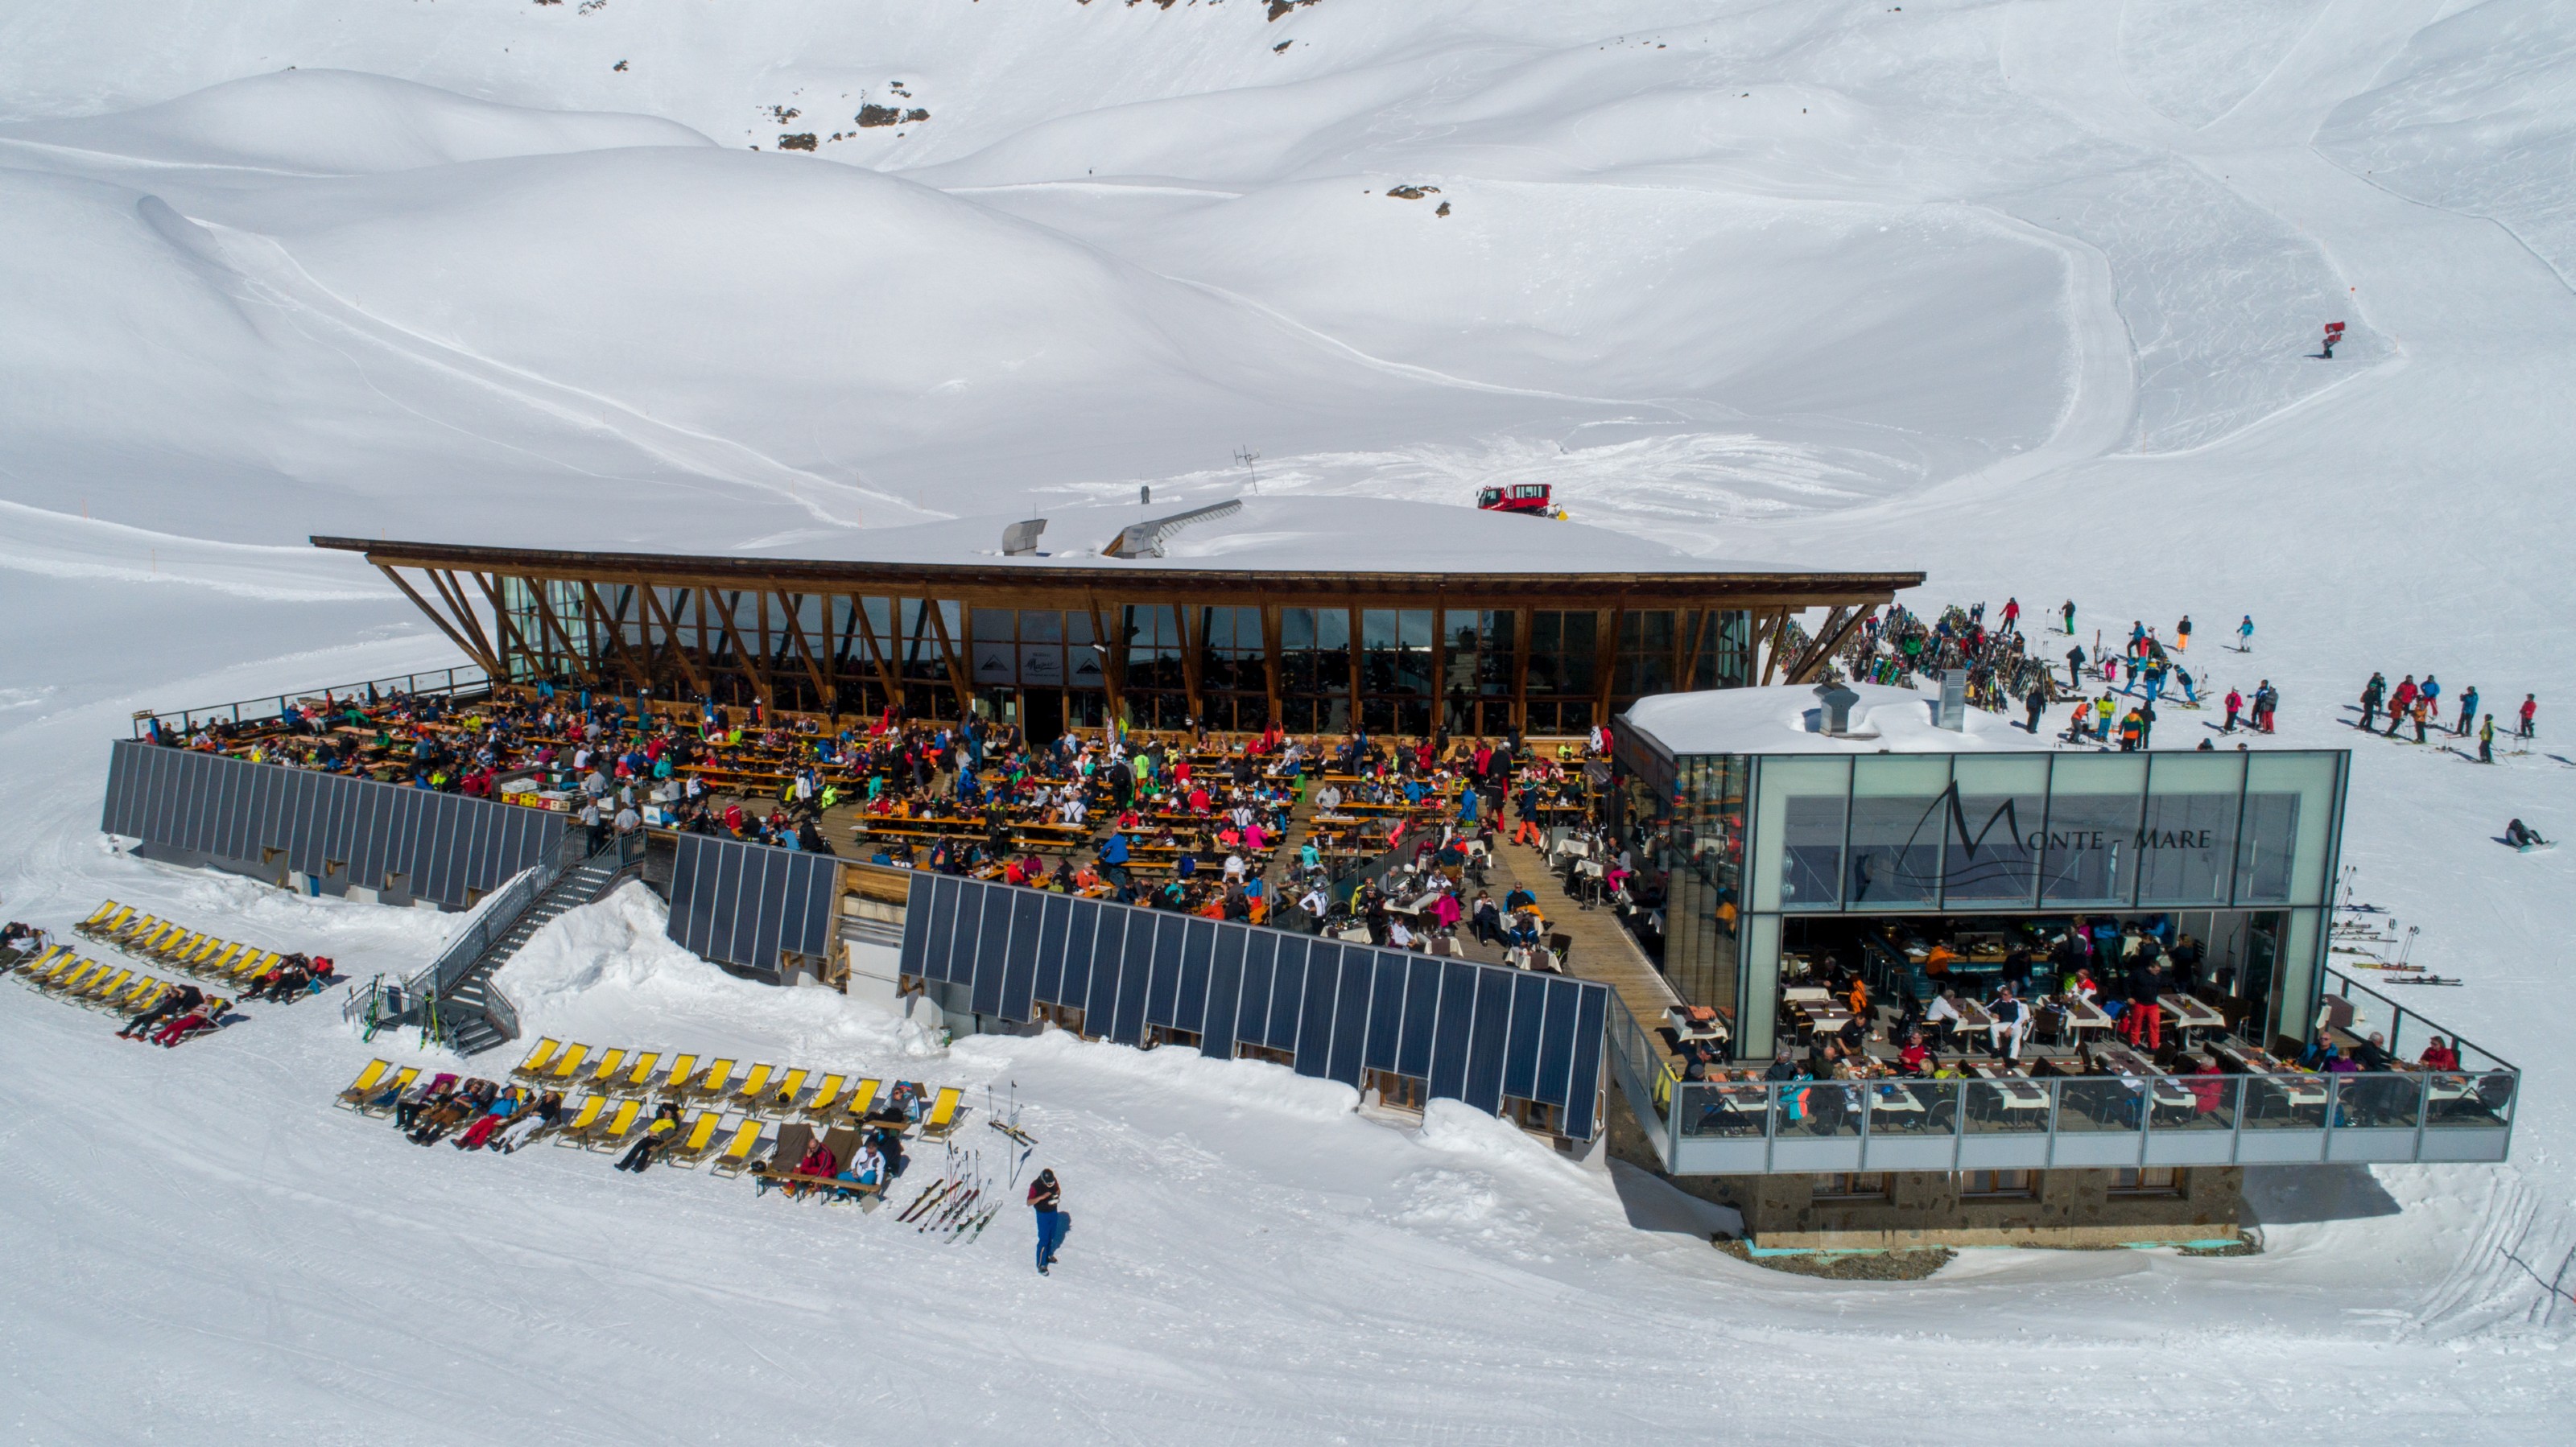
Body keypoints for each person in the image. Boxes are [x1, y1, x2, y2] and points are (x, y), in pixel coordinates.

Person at [117, 979, 202, 1040]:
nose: (171, 993)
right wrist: (170, 988)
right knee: (140, 1017)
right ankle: (126, 1031)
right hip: (157, 1014)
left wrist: (175, 989)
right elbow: (163, 989)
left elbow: (184, 993)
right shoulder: (168, 998)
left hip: (169, 1016)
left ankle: (141, 1034)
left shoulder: (179, 999)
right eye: (171, 992)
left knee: (150, 1018)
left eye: (173, 993)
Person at [615, 1103, 684, 1173]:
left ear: (672, 1115)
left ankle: (639, 1167)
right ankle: (623, 1165)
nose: (666, 1115)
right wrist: (651, 1132)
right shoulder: (660, 1120)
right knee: (637, 1147)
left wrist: (656, 1134)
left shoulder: (671, 1123)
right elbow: (651, 1128)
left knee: (647, 1149)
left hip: (659, 1139)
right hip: (650, 1137)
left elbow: (668, 1133)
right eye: (666, 1113)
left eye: (669, 1114)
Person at [1030, 1168, 1067, 1276]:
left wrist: (1056, 1196)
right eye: (1048, 1184)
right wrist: (1042, 1197)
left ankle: (1048, 1255)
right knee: (1044, 1238)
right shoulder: (1035, 1186)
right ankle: (1041, 1264)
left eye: (1052, 1183)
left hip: (1053, 1211)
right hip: (1042, 1214)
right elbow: (1029, 1202)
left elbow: (1058, 1190)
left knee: (1052, 1235)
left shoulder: (1053, 1181)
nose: (1051, 1185)